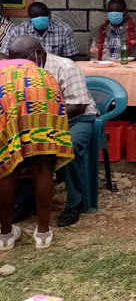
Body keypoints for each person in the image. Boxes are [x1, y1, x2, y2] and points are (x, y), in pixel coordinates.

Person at [9, 36, 99, 228]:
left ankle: (75, 203)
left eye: (24, 60)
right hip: (37, 124)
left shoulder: (65, 67)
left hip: (76, 119)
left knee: (70, 144)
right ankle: (26, 200)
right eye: (16, 61)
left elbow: (79, 105)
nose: (20, 65)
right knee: (20, 146)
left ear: (38, 53)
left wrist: (46, 118)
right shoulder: (16, 73)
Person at [0, 58, 74, 250]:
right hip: (39, 113)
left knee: (8, 168)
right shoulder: (44, 73)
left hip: (6, 109)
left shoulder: (2, 70)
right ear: (36, 56)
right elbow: (59, 106)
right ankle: (43, 233)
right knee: (43, 168)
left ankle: (6, 235)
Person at [0, 1, 78, 59]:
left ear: (49, 15)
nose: (40, 18)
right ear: (29, 17)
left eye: (43, 15)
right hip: (25, 71)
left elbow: (70, 58)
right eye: (35, 16)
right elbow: (5, 56)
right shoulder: (17, 32)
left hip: (54, 71)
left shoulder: (64, 30)